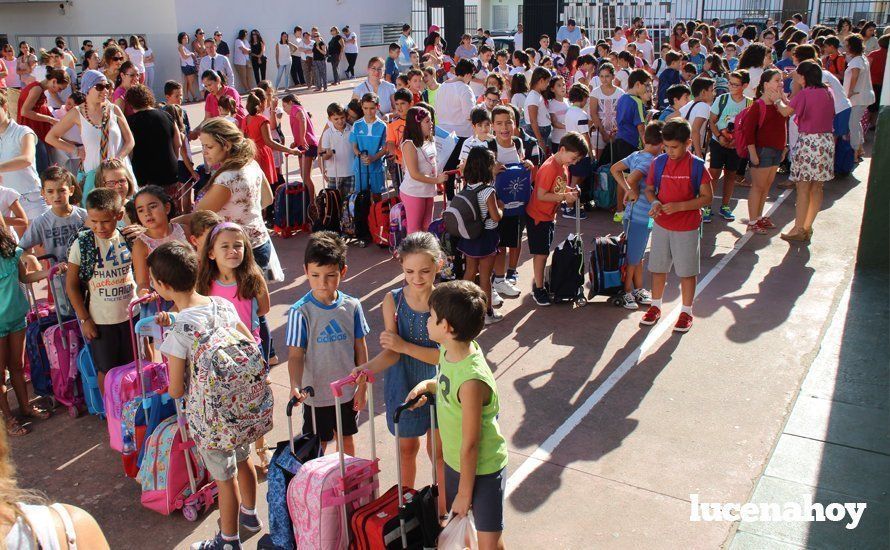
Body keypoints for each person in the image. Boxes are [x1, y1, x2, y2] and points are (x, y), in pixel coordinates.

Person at [152, 241, 265, 550]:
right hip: (242, 404)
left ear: (162, 286)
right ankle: (251, 516)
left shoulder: (179, 332)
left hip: (211, 417)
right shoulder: (221, 304)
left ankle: (228, 541)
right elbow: (246, 338)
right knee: (244, 460)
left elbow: (176, 389)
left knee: (224, 479)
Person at [399, 280, 508, 548]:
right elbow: (446, 383)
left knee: (488, 542)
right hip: (456, 463)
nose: (427, 321)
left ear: (446, 327)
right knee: (468, 534)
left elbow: (471, 445)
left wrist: (463, 492)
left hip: (483, 469)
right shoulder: (451, 351)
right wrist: (427, 386)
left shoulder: (472, 381)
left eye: (432, 317)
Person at [350, 233, 445, 503]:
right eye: (409, 271)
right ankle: (407, 507)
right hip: (403, 384)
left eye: (425, 271)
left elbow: (443, 357)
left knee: (438, 453)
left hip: (438, 386)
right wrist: (367, 366)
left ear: (439, 265)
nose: (417, 278)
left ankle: (440, 508)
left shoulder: (445, 301)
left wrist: (404, 346)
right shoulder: (392, 300)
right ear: (401, 266)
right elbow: (391, 353)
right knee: (406, 449)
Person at [196, 222, 273, 472]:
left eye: (238, 246)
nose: (232, 251)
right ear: (211, 253)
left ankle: (260, 449)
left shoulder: (252, 276)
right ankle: (234, 451)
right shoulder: (205, 283)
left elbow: (264, 309)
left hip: (250, 351)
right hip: (219, 357)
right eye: (225, 246)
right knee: (227, 403)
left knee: (255, 401)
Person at [287, 231, 369, 456]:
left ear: (343, 271)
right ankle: (320, 490)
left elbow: (360, 347)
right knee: (318, 447)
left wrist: (362, 387)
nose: (322, 283)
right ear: (305, 271)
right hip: (315, 395)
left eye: (330, 275)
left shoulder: (352, 306)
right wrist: (295, 384)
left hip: (347, 392)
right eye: (315, 275)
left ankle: (351, 486)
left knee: (347, 442)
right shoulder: (299, 312)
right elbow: (295, 355)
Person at [640, 120, 712, 332]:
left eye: (674, 147)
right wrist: (654, 202)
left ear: (688, 143)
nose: (669, 151)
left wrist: (681, 206)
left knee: (687, 272)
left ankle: (686, 311)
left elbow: (707, 198)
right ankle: (655, 306)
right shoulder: (658, 163)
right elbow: (650, 189)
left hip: (687, 227)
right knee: (658, 268)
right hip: (662, 224)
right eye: (666, 146)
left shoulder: (697, 165)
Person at [65, 188, 136, 392]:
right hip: (101, 321)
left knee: (134, 363)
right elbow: (71, 285)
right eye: (94, 221)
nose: (99, 227)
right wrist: (85, 319)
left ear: (119, 216)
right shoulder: (82, 243)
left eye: (105, 221)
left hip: (131, 315)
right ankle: (111, 412)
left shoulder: (129, 238)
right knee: (106, 370)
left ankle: (134, 406)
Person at [46, 70, 134, 204]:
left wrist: (119, 158)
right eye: (99, 87)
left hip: (118, 174)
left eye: (107, 86)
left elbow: (130, 141)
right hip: (94, 173)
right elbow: (51, 137)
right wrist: (76, 151)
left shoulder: (114, 109)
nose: (105, 90)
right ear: (87, 88)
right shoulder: (77, 113)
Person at [773, 60, 836, 244]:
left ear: (803, 77)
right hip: (825, 141)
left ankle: (798, 228)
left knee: (802, 187)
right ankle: (807, 226)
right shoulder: (827, 91)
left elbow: (786, 112)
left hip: (809, 141)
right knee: (817, 186)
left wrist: (777, 99)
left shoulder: (805, 93)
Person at [0, 221, 51, 436]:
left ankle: (25, 406)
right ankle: (8, 418)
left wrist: (50, 273)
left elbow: (25, 277)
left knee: (18, 366)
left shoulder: (11, 252)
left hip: (16, 317)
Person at [525, 132, 588, 306]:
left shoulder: (562, 165)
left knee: (543, 252)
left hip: (547, 216)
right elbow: (542, 194)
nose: (573, 163)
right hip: (538, 216)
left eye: (576, 160)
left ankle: (538, 282)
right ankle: (538, 288)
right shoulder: (550, 167)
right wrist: (564, 197)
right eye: (573, 158)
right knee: (541, 254)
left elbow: (558, 186)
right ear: (562, 149)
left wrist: (569, 190)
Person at [610, 121, 662, 309]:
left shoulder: (636, 154)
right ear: (661, 142)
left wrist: (626, 189)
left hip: (638, 217)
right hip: (639, 217)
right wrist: (629, 189)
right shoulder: (650, 161)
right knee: (633, 257)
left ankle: (638, 288)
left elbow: (614, 169)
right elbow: (632, 178)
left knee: (637, 254)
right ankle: (626, 292)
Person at [489, 105, 532, 297]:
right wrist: (491, 171)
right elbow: (474, 173)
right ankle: (498, 279)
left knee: (515, 239)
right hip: (496, 204)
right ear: (493, 126)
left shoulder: (519, 143)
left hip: (517, 202)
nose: (504, 127)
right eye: (499, 123)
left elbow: (523, 166)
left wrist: (527, 164)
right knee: (499, 243)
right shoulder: (489, 147)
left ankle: (511, 272)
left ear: (515, 123)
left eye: (508, 122)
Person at [458, 147, 503, 325]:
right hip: (486, 237)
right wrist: (502, 208)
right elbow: (495, 217)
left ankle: (461, 306)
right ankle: (487, 313)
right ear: (487, 168)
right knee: (485, 277)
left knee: (469, 271)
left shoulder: (468, 186)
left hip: (470, 235)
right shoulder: (488, 191)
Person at [741, 69, 788, 235]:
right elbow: (748, 133)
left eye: (781, 80)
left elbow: (784, 124)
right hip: (762, 151)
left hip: (776, 150)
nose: (780, 83)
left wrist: (784, 147)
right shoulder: (758, 106)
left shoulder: (778, 103)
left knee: (766, 186)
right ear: (766, 84)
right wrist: (753, 154)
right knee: (758, 187)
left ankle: (759, 217)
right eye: (777, 80)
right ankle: (753, 221)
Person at [18, 166, 86, 267]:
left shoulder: (84, 216)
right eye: (50, 191)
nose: (57, 196)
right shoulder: (41, 222)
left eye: (61, 190)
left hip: (89, 277)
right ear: (43, 193)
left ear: (71, 190)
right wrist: (30, 258)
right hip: (58, 278)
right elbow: (19, 250)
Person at [130, 185, 188, 299]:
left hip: (191, 293)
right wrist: (144, 293)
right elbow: (142, 282)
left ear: (167, 208)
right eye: (140, 210)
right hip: (163, 301)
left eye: (152, 206)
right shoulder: (141, 244)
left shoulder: (184, 230)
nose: (147, 213)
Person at [708, 70, 751, 222]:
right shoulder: (722, 99)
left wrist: (737, 141)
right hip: (718, 142)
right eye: (730, 83)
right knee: (713, 174)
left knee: (731, 175)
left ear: (745, 85)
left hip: (735, 146)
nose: (731, 86)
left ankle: (725, 206)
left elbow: (748, 127)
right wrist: (720, 136)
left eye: (735, 84)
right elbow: (712, 121)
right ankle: (707, 206)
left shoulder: (749, 104)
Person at [0, 93, 46, 225]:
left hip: (31, 199)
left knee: (42, 245)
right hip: (6, 204)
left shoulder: (23, 131)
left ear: (5, 107)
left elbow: (27, 159)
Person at [400, 106, 445, 234]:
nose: (431, 124)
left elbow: (433, 163)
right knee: (415, 230)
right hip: (414, 192)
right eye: (427, 121)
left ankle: (424, 254)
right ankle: (410, 254)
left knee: (427, 227)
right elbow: (414, 174)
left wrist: (438, 178)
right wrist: (436, 180)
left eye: (431, 120)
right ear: (417, 124)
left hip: (428, 190)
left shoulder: (430, 139)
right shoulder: (409, 144)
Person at [16, 68, 70, 174]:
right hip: (33, 134)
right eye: (59, 89)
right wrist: (50, 119)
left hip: (35, 134)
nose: (59, 92)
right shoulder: (37, 89)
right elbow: (25, 112)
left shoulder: (38, 88)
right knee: (42, 170)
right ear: (54, 81)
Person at [125, 85, 179, 190]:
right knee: (171, 204)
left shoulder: (130, 122)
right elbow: (178, 143)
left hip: (143, 176)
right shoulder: (167, 115)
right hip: (169, 172)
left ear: (131, 103)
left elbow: (129, 152)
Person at [843, 34, 874, 162]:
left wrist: (850, 91)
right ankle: (859, 148)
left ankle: (855, 152)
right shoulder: (862, 58)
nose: (844, 47)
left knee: (853, 124)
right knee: (856, 122)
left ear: (851, 46)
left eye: (846, 44)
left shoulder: (856, 61)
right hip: (863, 96)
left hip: (858, 97)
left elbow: (854, 76)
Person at [610, 68, 651, 164]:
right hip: (632, 143)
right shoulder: (637, 102)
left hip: (619, 141)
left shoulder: (622, 98)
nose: (648, 88)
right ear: (637, 84)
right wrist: (647, 146)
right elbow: (641, 127)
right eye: (647, 85)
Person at [350, 93, 388, 196]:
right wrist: (361, 155)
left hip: (376, 167)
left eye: (372, 108)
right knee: (362, 197)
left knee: (377, 196)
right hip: (360, 167)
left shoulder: (382, 126)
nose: (368, 111)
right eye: (365, 108)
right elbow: (354, 146)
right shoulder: (356, 125)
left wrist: (373, 158)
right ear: (361, 107)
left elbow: (385, 149)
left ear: (377, 107)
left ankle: (376, 212)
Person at [281, 93, 318, 195]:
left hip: (307, 144)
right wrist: (296, 142)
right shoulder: (297, 109)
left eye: (285, 106)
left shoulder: (295, 108)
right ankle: (311, 199)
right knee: (304, 176)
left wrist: (302, 138)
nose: (284, 109)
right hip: (305, 143)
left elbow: (302, 119)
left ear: (291, 103)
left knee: (306, 177)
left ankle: (312, 202)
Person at [318, 103, 356, 197]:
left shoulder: (352, 129)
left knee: (350, 201)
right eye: (336, 119)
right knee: (334, 201)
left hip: (351, 172)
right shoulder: (327, 133)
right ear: (330, 119)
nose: (340, 121)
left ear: (346, 116)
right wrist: (328, 154)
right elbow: (324, 155)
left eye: (342, 118)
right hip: (334, 174)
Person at [590, 63, 624, 159]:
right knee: (599, 160)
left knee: (616, 158)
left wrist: (615, 132)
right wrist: (603, 133)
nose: (604, 79)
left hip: (616, 132)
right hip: (599, 132)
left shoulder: (620, 93)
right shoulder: (595, 92)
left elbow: (622, 114)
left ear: (613, 76)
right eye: (601, 76)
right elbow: (593, 113)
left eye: (607, 76)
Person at [524, 68, 553, 158]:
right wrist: (540, 140)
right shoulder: (533, 96)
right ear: (541, 80)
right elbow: (533, 120)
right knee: (541, 158)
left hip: (543, 132)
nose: (548, 85)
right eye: (547, 81)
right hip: (539, 133)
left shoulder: (537, 94)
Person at [177, 33, 199, 103]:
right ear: (180, 39)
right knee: (190, 83)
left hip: (188, 66)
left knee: (187, 83)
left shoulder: (184, 47)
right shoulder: (181, 47)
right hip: (187, 66)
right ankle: (194, 97)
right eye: (184, 38)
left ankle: (186, 98)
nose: (186, 39)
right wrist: (191, 53)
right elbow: (184, 56)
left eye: (186, 38)